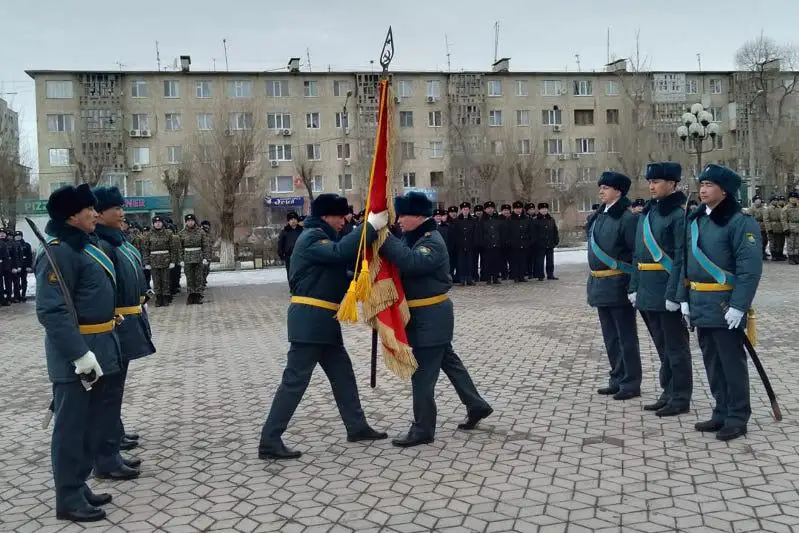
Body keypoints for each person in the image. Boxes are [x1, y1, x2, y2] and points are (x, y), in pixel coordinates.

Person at [258, 194, 389, 459]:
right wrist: (370, 227)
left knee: (343, 375)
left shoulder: (324, 237)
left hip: (324, 321)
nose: (344, 221)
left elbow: (342, 270)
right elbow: (340, 253)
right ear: (326, 216)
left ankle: (357, 426)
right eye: (340, 216)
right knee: (295, 382)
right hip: (310, 319)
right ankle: (269, 440)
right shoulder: (312, 238)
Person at [35, 184, 123, 522]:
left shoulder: (81, 248)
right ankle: (68, 497)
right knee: (71, 427)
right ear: (72, 215)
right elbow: (52, 311)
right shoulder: (57, 253)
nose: (96, 214)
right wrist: (79, 355)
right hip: (77, 357)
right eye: (90, 210)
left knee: (91, 425)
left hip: (99, 348)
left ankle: (79, 482)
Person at [379, 192, 492, 447]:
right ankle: (476, 405)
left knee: (421, 374)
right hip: (426, 317)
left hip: (430, 317)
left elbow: (412, 262)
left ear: (418, 216)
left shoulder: (431, 241)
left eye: (403, 215)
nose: (399, 220)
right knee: (449, 362)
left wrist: (383, 237)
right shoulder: (415, 237)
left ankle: (423, 428)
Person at [678, 164, 762, 441]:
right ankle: (721, 410)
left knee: (731, 362)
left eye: (709, 185)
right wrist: (684, 299)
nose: (702, 190)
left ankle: (738, 416)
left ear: (725, 191)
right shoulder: (696, 220)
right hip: (700, 301)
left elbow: (749, 269)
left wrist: (739, 305)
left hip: (725, 305)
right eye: (701, 184)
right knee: (712, 361)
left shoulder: (740, 222)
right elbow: (685, 262)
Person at [90, 186, 156, 479]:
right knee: (108, 393)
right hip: (115, 324)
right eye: (115, 208)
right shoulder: (103, 245)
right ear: (100, 213)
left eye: (121, 207)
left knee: (115, 390)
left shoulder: (115, 240)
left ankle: (113, 442)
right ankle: (106, 455)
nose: (122, 213)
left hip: (127, 321)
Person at [628, 163, 692, 417]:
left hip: (667, 291)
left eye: (657, 181)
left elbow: (680, 258)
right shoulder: (648, 213)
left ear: (673, 184)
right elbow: (637, 254)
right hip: (647, 291)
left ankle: (681, 396)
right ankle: (668, 391)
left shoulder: (678, 215)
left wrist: (675, 295)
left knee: (676, 348)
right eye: (650, 181)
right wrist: (634, 286)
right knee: (662, 347)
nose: (652, 186)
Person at [587, 171, 641, 400]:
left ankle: (631, 382)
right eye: (600, 187)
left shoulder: (627, 219)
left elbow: (635, 254)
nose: (601, 191)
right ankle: (617, 377)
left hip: (619, 283)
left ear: (618, 191)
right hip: (600, 283)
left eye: (606, 187)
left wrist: (633, 286)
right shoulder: (600, 216)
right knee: (610, 337)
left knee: (625, 336)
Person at [142, 216, 179, 307]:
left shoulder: (168, 233)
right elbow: (145, 249)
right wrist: (146, 262)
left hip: (166, 260)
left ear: (162, 223)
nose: (157, 224)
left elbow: (173, 248)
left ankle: (166, 298)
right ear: (153, 224)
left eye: (159, 222)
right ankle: (158, 299)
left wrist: (173, 261)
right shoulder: (149, 235)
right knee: (156, 281)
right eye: (155, 222)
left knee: (165, 280)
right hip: (153, 261)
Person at [179, 214, 211, 305]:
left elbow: (205, 245)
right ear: (186, 222)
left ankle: (198, 296)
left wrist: (206, 257)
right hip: (187, 258)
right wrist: (181, 259)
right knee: (189, 278)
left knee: (198, 278)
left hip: (198, 258)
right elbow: (179, 248)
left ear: (194, 221)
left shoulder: (201, 232)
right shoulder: (181, 233)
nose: (190, 222)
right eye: (188, 221)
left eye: (192, 220)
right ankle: (190, 296)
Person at [476, 201, 504, 284]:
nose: (490, 210)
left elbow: (501, 231)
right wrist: (482, 243)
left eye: (491, 208)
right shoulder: (482, 220)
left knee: (496, 261)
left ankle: (495, 277)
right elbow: (479, 233)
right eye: (488, 208)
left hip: (497, 243)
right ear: (485, 209)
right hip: (486, 245)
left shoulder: (497, 218)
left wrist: (501, 241)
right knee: (487, 262)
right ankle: (488, 278)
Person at [534, 202, 559, 281]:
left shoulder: (551, 219)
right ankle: (540, 275)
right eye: (542, 209)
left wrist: (556, 240)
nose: (544, 210)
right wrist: (536, 242)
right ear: (539, 210)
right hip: (540, 245)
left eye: (545, 209)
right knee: (540, 261)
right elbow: (533, 233)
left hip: (550, 243)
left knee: (550, 261)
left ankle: (550, 274)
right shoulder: (535, 220)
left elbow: (555, 231)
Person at [277, 211, 303, 277]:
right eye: (291, 219)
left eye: (294, 219)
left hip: (301, 256)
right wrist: (282, 256)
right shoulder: (284, 232)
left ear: (297, 221)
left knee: (301, 275)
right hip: (289, 257)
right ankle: (293, 287)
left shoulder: (302, 230)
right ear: (288, 221)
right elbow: (280, 245)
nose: (293, 221)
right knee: (291, 275)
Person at [13, 230, 33, 302]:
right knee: (16, 282)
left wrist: (29, 266)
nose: (18, 237)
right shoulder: (12, 245)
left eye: (19, 236)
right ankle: (17, 296)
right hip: (16, 265)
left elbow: (29, 256)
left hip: (24, 266)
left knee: (24, 280)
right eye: (16, 236)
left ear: (21, 236)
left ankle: (23, 295)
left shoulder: (26, 245)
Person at [781, 191, 799, 264]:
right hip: (790, 227)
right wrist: (786, 229)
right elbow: (783, 219)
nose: (793, 199)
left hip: (798, 227)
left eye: (795, 198)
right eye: (792, 198)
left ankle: (796, 257)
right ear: (789, 199)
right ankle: (791, 258)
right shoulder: (786, 208)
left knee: (797, 244)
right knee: (791, 244)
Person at [749, 196, 769, 260]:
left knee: (764, 241)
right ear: (754, 201)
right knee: (754, 242)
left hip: (763, 227)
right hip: (754, 227)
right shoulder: (751, 209)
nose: (758, 201)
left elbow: (766, 218)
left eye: (759, 199)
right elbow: (748, 218)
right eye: (756, 200)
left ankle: (763, 252)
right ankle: (757, 254)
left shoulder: (764, 209)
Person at [200, 220, 212, 287]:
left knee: (207, 269)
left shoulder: (208, 234)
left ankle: (204, 280)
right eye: (205, 225)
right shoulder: (201, 233)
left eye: (208, 226)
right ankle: (201, 282)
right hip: (202, 255)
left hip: (208, 254)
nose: (207, 227)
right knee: (202, 269)